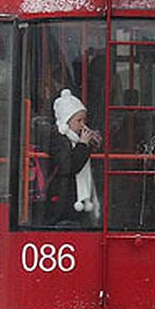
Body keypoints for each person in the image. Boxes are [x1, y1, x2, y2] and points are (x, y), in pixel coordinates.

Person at [46, 89, 100, 226]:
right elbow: (69, 166)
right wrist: (83, 146)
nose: (82, 125)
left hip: (73, 197)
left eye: (84, 120)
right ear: (66, 121)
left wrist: (93, 142)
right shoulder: (59, 139)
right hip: (63, 198)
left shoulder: (76, 138)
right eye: (78, 121)